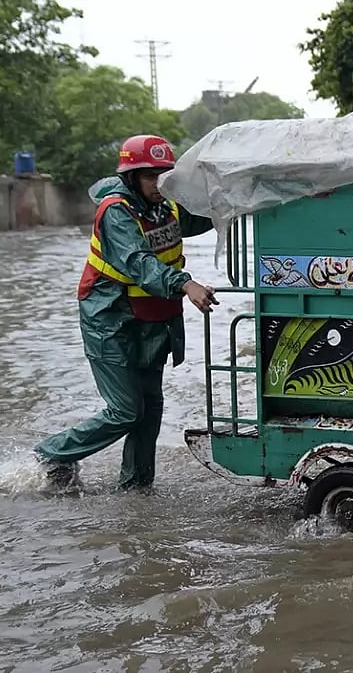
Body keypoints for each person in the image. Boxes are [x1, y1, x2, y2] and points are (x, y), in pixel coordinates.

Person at [34, 134, 219, 491]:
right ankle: (53, 453)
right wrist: (186, 284)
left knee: (149, 409)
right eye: (150, 176)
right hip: (111, 317)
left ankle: (136, 490)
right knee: (125, 410)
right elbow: (137, 263)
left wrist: (239, 200)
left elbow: (202, 216)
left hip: (153, 318)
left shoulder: (167, 204)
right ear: (131, 177)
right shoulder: (115, 211)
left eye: (164, 175)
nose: (159, 182)